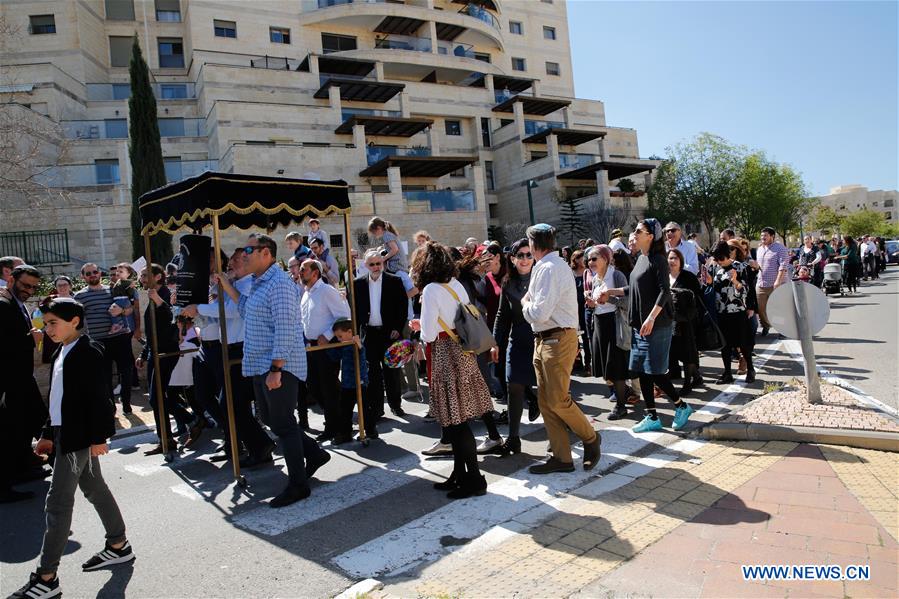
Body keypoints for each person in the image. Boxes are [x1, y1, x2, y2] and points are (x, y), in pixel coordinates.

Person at [10, 298, 134, 599]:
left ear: (74, 321)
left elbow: (100, 397)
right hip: (65, 434)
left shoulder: (89, 351)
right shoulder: (62, 349)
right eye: (45, 322)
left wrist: (100, 437)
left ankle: (46, 577)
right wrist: (47, 433)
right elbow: (58, 397)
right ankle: (119, 545)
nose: (47, 328)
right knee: (95, 489)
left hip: (79, 438)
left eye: (53, 322)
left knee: (57, 503)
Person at [218, 234, 331, 508]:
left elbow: (286, 328)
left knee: (282, 424)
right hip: (261, 364)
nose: (244, 254)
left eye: (249, 249)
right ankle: (314, 454)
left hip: (278, 365)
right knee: (271, 418)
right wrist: (226, 283)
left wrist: (276, 368)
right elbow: (245, 309)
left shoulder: (278, 283)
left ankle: (298, 485)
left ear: (266, 253)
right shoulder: (260, 282)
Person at [409, 242, 490, 499]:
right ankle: (459, 474)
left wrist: (419, 325)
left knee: (456, 422)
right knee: (458, 420)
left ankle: (474, 479)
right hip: (463, 352)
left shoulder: (432, 289)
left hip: (445, 353)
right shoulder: (455, 284)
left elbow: (430, 333)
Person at [181, 249, 274, 465]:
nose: (230, 266)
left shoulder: (246, 284)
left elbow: (233, 311)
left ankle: (259, 444)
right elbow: (219, 315)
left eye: (234, 262)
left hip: (241, 349)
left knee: (234, 404)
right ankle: (258, 445)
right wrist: (193, 312)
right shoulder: (231, 283)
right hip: (228, 347)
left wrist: (199, 308)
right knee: (230, 403)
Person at [521, 224, 601, 474]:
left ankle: (590, 438)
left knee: (556, 399)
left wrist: (525, 304)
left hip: (555, 338)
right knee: (547, 402)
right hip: (548, 339)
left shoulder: (548, 268)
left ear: (534, 245)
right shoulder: (548, 266)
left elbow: (539, 312)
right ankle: (562, 458)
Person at [611, 218, 692, 433]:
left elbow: (664, 291)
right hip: (640, 325)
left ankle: (681, 406)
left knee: (655, 371)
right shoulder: (640, 259)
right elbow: (633, 289)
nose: (634, 234)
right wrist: (610, 292)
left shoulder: (658, 259)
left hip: (657, 324)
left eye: (639, 231)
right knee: (641, 371)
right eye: (635, 230)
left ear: (650, 236)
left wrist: (651, 318)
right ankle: (652, 416)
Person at [137, 264, 203, 455]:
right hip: (155, 351)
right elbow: (151, 331)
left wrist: (159, 301)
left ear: (159, 277)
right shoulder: (152, 296)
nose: (141, 278)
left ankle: (190, 422)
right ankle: (167, 438)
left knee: (159, 397)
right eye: (141, 275)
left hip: (168, 351)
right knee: (157, 398)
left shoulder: (167, 295)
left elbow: (173, 319)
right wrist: (143, 353)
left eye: (145, 275)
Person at [0, 265, 48, 504]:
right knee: (7, 433)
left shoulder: (17, 303)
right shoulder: (2, 304)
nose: (29, 290)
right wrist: (31, 338)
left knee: (23, 426)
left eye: (33, 287)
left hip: (20, 377)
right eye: (25, 285)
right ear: (11, 279)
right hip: (8, 380)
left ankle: (22, 469)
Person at [491, 239, 539, 456]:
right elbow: (502, 316)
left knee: (552, 391)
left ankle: (570, 427)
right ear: (512, 258)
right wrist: (494, 343)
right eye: (520, 255)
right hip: (517, 340)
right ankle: (513, 438)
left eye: (529, 255)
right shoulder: (508, 282)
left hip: (540, 339)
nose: (525, 259)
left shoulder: (542, 278)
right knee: (513, 386)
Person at [352, 249, 409, 422]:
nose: (376, 267)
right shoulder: (358, 284)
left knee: (391, 371)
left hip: (389, 333)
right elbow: (353, 309)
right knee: (373, 373)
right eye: (372, 264)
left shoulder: (395, 281)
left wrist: (397, 328)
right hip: (369, 334)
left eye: (379, 263)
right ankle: (377, 408)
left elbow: (402, 306)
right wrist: (355, 333)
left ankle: (395, 404)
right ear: (365, 265)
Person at [300, 258, 351, 442]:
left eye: (303, 269)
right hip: (311, 347)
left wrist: (328, 335)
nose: (300, 272)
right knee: (314, 387)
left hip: (327, 347)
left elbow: (344, 315)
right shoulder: (306, 293)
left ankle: (334, 426)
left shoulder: (326, 291)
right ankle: (338, 419)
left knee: (328, 388)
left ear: (315, 273)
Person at [74, 263, 135, 414]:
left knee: (127, 372)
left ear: (100, 273)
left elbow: (130, 309)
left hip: (121, 338)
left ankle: (126, 403)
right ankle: (111, 407)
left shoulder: (113, 289)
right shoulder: (79, 296)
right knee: (104, 376)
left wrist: (123, 310)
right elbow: (78, 321)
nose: (92, 275)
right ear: (83, 277)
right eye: (88, 273)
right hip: (98, 341)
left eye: (95, 271)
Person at [587, 245, 632, 420]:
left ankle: (621, 406)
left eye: (594, 258)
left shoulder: (617, 275)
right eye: (589, 259)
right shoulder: (595, 279)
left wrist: (610, 298)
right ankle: (623, 393)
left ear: (605, 259)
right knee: (605, 368)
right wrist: (592, 303)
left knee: (616, 366)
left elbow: (628, 301)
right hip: (599, 323)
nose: (590, 263)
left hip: (615, 323)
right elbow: (598, 303)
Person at [706, 241, 757, 384]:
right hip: (721, 311)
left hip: (738, 311)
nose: (718, 262)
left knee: (743, 343)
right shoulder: (716, 269)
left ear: (727, 254)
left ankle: (751, 369)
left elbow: (746, 290)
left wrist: (735, 282)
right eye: (716, 259)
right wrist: (709, 282)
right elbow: (714, 289)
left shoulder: (740, 267)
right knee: (725, 345)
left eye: (720, 258)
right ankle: (727, 373)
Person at [326, 318, 372, 440]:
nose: (339, 339)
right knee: (345, 410)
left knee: (365, 409)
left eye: (340, 336)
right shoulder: (343, 346)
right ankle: (345, 433)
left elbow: (362, 356)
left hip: (360, 382)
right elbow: (334, 357)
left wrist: (358, 345)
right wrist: (330, 347)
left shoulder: (357, 344)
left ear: (350, 332)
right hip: (347, 383)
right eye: (337, 337)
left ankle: (371, 430)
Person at [667, 249, 703, 395]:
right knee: (673, 351)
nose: (672, 261)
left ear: (681, 260)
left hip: (686, 321)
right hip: (669, 321)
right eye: (670, 258)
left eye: (675, 258)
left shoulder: (688, 277)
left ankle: (688, 382)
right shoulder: (664, 277)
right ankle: (697, 376)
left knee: (687, 353)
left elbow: (697, 298)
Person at [755, 227, 790, 336]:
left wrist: (778, 281)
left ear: (772, 236)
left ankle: (782, 329)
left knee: (778, 308)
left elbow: (783, 266)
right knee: (760, 308)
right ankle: (766, 326)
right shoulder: (760, 249)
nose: (762, 238)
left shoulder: (780, 248)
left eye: (765, 235)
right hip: (761, 284)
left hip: (776, 284)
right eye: (761, 236)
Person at [40, 275, 75, 363]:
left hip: (72, 335)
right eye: (59, 285)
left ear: (70, 286)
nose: (62, 287)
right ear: (56, 287)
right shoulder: (49, 300)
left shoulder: (77, 299)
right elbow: (41, 316)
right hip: (55, 336)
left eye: (65, 284)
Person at [570, 249, 591, 373]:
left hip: (585, 308)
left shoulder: (588, 272)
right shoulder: (570, 272)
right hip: (573, 309)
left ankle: (588, 363)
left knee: (586, 337)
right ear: (575, 259)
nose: (583, 260)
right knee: (574, 336)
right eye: (580, 257)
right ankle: (576, 362)